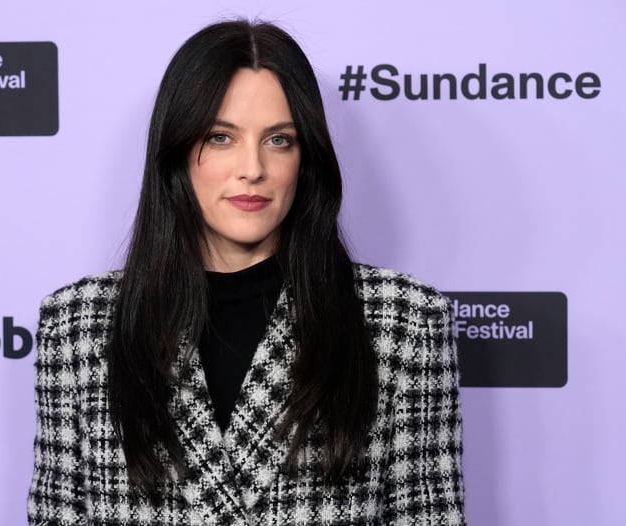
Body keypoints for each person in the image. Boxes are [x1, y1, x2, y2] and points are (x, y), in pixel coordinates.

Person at [28, 19, 466, 526]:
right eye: (220, 137)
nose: (252, 167)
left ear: (307, 158)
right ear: (175, 154)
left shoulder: (402, 322)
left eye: (279, 140)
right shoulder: (78, 328)